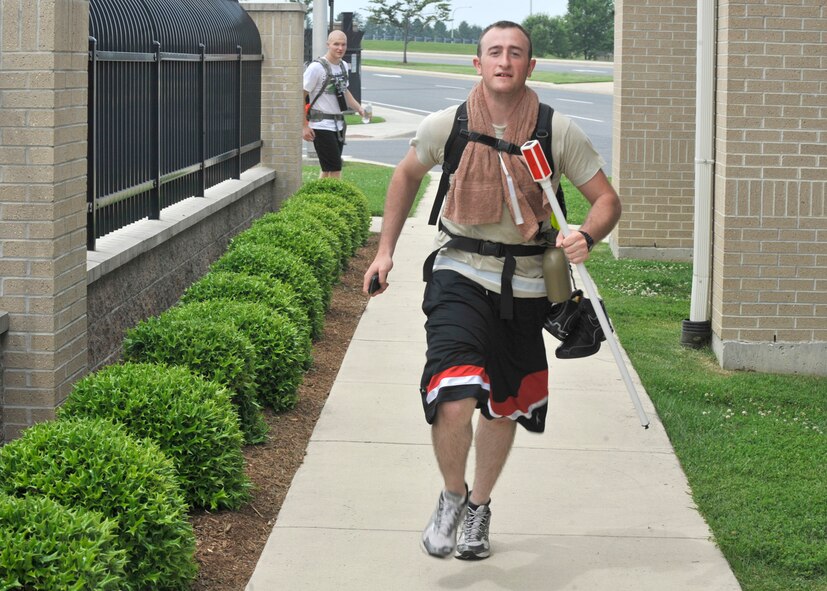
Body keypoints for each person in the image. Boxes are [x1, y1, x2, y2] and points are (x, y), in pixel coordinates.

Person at [362, 21, 622, 561]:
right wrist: (384, 251)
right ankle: (452, 496)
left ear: (531, 66)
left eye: (516, 53)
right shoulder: (449, 124)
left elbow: (606, 201)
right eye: (494, 52)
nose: (505, 61)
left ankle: (479, 506)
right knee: (454, 391)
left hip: (529, 284)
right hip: (460, 271)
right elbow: (405, 175)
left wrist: (586, 235)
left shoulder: (556, 130)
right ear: (477, 64)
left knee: (502, 405)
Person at [302, 30, 366, 179]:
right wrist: (304, 126)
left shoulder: (343, 66)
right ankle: (336, 198)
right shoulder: (316, 68)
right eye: (336, 44)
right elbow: (301, 94)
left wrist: (359, 108)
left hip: (338, 124)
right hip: (321, 124)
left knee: (327, 170)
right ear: (328, 45)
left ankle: (319, 198)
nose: (340, 48)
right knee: (336, 167)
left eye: (343, 44)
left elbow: (345, 92)